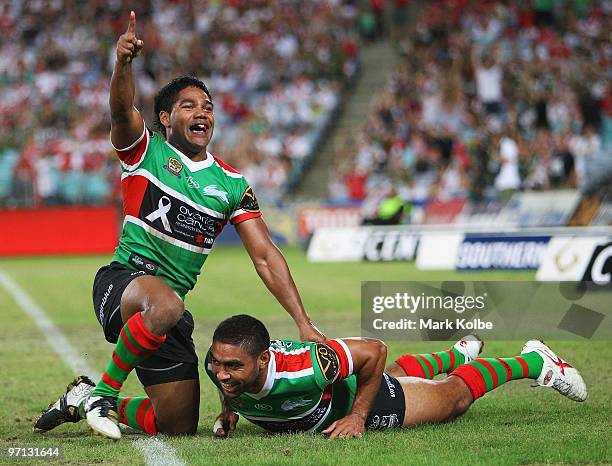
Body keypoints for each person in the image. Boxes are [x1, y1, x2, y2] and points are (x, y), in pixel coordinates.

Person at [33, 11, 324, 441]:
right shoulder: (144, 152)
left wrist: (303, 321)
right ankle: (104, 394)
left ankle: (82, 396)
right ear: (166, 118)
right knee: (168, 304)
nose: (202, 112)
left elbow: (265, 256)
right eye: (188, 105)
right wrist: (123, 65)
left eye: (207, 106)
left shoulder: (232, 184)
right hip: (125, 285)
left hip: (166, 314)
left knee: (178, 424)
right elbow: (119, 109)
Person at [206, 315, 586, 439]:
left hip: (364, 402)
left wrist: (357, 417)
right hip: (337, 395)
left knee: (453, 399)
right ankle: (454, 355)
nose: (223, 374)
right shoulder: (216, 363)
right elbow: (224, 376)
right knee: (398, 377)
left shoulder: (310, 365)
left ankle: (534, 361)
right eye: (219, 365)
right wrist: (230, 408)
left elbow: (373, 350)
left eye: (234, 367)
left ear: (264, 359)